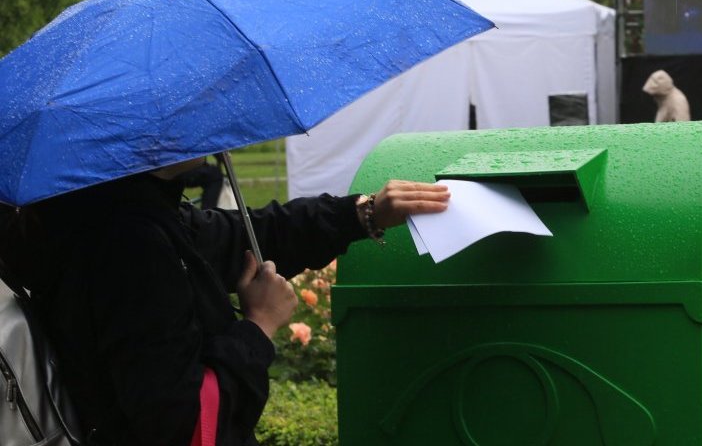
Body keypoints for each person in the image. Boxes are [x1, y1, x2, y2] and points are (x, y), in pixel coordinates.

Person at [4, 160, 449, 445]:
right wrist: (258, 326)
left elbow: (245, 234)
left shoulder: (122, 205)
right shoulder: (130, 246)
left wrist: (361, 212)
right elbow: (184, 425)